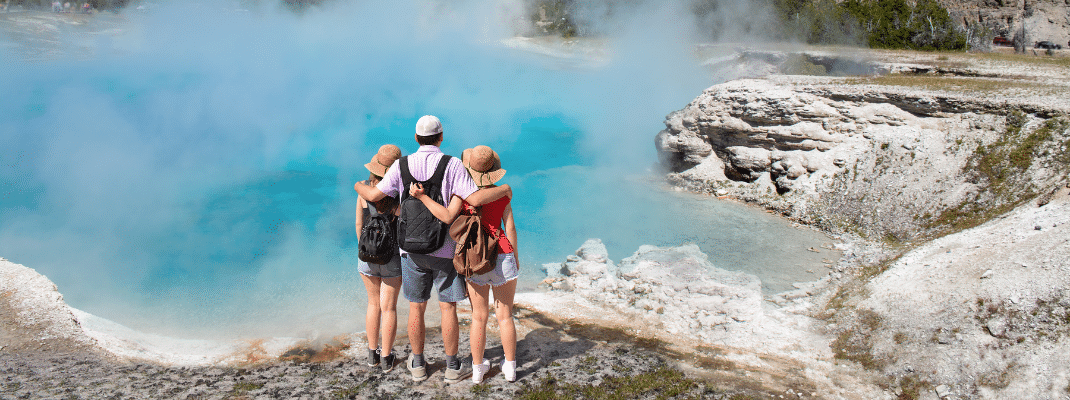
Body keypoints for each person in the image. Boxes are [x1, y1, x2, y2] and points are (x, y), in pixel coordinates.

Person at [353, 115, 511, 383]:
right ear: (441, 137)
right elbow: (473, 198)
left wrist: (358, 185)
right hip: (445, 250)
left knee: (416, 307)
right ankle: (451, 366)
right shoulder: (453, 165)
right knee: (447, 307)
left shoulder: (401, 166)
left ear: (416, 138)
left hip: (410, 251)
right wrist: (505, 189)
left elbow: (374, 196)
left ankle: (417, 364)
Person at [409, 145, 520, 383]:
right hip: (502, 254)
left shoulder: (462, 195)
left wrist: (422, 197)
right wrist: (515, 257)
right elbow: (509, 227)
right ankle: (510, 368)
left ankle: (478, 370)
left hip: (474, 259)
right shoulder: (503, 193)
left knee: (478, 317)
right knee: (505, 315)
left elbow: (447, 217)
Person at [355, 144, 403, 372]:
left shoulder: (363, 189)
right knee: (389, 307)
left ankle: (371, 355)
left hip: (367, 255)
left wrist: (366, 249)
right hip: (392, 256)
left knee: (373, 304)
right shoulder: (398, 193)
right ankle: (386, 358)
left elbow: (358, 224)